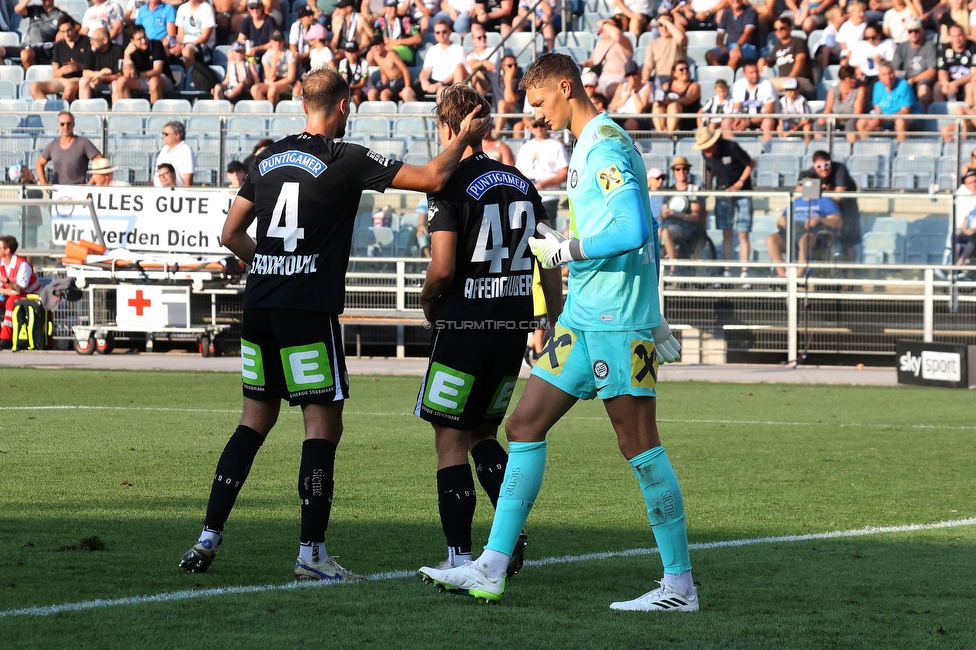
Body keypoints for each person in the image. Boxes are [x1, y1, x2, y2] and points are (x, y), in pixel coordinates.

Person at [178, 66, 491, 580]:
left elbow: (231, 233)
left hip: (260, 305)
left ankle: (207, 537)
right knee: (322, 424)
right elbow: (434, 179)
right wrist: (464, 138)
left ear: (304, 104)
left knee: (253, 420)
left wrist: (271, 265)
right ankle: (312, 554)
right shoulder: (345, 158)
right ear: (343, 105)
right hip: (307, 309)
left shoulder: (267, 157)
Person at [418, 52, 695, 612]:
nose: (536, 116)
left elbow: (635, 226)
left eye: (540, 103)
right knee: (522, 425)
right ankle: (491, 566)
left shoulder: (606, 144)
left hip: (616, 322)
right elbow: (634, 230)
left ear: (565, 88)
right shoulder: (588, 146)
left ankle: (679, 586)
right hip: (584, 318)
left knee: (637, 444)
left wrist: (568, 252)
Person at [416, 84, 562, 575]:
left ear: (449, 126)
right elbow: (550, 256)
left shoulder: (449, 182)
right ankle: (510, 533)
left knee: (450, 439)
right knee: (484, 432)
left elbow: (441, 267)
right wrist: (552, 315)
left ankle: (459, 555)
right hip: (510, 328)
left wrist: (428, 299)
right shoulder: (522, 181)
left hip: (462, 326)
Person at [695, 124, 754, 283]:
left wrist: (740, 183)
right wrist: (706, 195)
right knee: (726, 233)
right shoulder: (706, 156)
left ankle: (744, 271)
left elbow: (750, 163)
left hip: (742, 193)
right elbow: (709, 174)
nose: (706, 151)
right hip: (722, 194)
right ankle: (727, 269)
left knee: (743, 232)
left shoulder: (731, 147)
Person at [766, 183, 842, 276]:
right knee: (772, 239)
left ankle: (798, 276)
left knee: (806, 240)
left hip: (812, 232)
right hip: (791, 230)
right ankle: (782, 276)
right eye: (801, 184)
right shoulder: (795, 202)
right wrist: (781, 221)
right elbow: (780, 221)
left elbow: (838, 222)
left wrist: (819, 219)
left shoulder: (825, 200)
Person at [799, 150, 861, 260]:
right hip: (826, 213)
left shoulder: (840, 169)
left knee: (849, 244)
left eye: (826, 164)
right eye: (819, 166)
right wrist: (806, 183)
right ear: (814, 166)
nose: (824, 169)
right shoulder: (809, 174)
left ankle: (850, 274)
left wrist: (818, 194)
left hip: (847, 210)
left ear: (831, 162)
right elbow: (800, 197)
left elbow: (838, 196)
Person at [29, 15, 89, 103]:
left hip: (80, 79)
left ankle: (63, 112)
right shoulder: (58, 46)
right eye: (63, 31)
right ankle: (52, 112)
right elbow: (55, 73)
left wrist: (79, 67)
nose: (66, 34)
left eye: (69, 30)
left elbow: (94, 67)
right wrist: (63, 70)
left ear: (74, 28)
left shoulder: (87, 42)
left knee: (70, 87)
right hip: (62, 80)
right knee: (34, 87)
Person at [36, 111, 104, 185]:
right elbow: (39, 163)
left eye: (69, 124)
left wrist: (90, 183)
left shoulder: (83, 143)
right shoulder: (52, 145)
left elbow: (101, 161)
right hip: (57, 190)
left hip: (77, 190)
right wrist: (44, 184)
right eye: (62, 124)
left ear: (73, 124)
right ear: (58, 125)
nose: (65, 127)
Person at [113, 25, 176, 105]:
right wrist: (127, 54)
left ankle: (155, 115)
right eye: (139, 39)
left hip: (163, 79)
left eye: (144, 37)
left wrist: (137, 74)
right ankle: (129, 114)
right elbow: (127, 75)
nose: (143, 41)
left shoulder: (157, 45)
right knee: (121, 81)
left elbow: (157, 71)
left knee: (154, 81)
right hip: (142, 79)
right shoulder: (129, 49)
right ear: (132, 41)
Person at [659, 155, 704, 262]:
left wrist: (676, 214)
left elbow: (695, 216)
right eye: (678, 169)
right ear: (674, 172)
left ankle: (673, 265)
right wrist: (664, 214)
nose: (681, 171)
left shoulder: (693, 190)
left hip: (687, 227)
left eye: (685, 169)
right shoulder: (669, 190)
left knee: (666, 233)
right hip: (669, 224)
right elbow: (663, 211)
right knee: (656, 232)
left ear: (688, 171)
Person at [0, 236, 43, 350]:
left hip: (31, 296)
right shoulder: (1, 263)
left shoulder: (22, 265)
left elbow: (20, 289)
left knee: (11, 302)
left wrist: (7, 282)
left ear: (7, 250)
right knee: (9, 299)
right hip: (10, 293)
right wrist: (6, 290)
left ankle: (6, 339)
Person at [856, 61, 916, 142]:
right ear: (879, 77)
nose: (888, 77)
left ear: (894, 73)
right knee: (861, 123)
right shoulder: (877, 85)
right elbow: (877, 107)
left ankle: (900, 150)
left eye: (890, 73)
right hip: (883, 117)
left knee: (900, 122)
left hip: (902, 117)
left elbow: (906, 110)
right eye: (884, 74)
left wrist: (884, 119)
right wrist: (876, 119)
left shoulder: (903, 85)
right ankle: (868, 149)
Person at [724, 60, 777, 144]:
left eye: (756, 72)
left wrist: (748, 122)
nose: (755, 75)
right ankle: (732, 150)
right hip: (744, 117)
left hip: (762, 119)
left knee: (768, 122)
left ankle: (766, 151)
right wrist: (738, 119)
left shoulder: (767, 84)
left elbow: (769, 111)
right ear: (744, 74)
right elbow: (737, 107)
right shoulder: (739, 84)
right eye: (751, 73)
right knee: (726, 122)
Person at [760, 16, 815, 94]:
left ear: (790, 28)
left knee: (766, 85)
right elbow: (770, 62)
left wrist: (790, 78)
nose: (778, 31)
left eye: (782, 28)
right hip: (784, 82)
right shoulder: (777, 46)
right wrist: (763, 60)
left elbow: (800, 60)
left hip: (802, 80)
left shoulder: (799, 41)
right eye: (776, 29)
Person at [581, 16, 633, 98]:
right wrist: (585, 63)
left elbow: (617, 35)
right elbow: (594, 60)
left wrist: (604, 23)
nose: (604, 28)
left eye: (609, 25)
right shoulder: (600, 44)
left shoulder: (624, 41)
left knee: (608, 90)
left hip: (618, 77)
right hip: (600, 78)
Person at [892, 17, 937, 109]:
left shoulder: (929, 45)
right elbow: (894, 69)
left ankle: (924, 117)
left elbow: (932, 71)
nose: (914, 34)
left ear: (922, 30)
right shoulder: (901, 47)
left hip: (923, 78)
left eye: (916, 30)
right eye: (910, 31)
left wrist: (913, 80)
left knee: (923, 89)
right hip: (905, 79)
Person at [416, 19, 466, 99]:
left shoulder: (458, 49)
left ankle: (440, 112)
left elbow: (457, 72)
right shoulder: (432, 50)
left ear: (450, 32)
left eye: (444, 31)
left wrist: (440, 84)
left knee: (441, 91)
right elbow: (425, 71)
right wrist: (423, 81)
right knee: (407, 92)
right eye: (437, 32)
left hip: (450, 83)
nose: (441, 34)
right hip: (433, 81)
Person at [514, 118, 569, 191]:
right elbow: (518, 171)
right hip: (527, 193)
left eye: (541, 125)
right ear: (530, 127)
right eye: (535, 126)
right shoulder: (525, 147)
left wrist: (545, 183)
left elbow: (564, 173)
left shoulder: (557, 146)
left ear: (547, 126)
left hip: (549, 194)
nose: (539, 128)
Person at [705, 0, 760, 71]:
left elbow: (747, 33)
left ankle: (726, 78)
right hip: (730, 46)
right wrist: (721, 46)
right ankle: (720, 77)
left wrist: (738, 46)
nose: (735, 0)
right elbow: (720, 34)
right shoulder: (726, 13)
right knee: (710, 55)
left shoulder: (751, 12)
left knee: (734, 57)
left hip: (747, 47)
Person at [817, 65, 866, 142]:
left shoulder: (860, 90)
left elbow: (857, 111)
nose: (854, 80)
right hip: (835, 118)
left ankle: (851, 148)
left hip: (851, 118)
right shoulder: (833, 90)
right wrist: (823, 118)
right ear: (843, 79)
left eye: (854, 77)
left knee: (850, 125)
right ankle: (820, 147)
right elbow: (828, 109)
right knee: (818, 124)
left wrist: (840, 118)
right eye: (851, 78)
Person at [651, 60, 700, 134]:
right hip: (667, 117)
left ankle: (670, 135)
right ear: (674, 72)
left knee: (673, 106)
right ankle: (660, 133)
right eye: (681, 69)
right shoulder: (667, 85)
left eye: (687, 69)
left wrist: (670, 101)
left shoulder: (694, 85)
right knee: (656, 104)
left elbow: (688, 100)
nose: (685, 71)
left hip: (686, 119)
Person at [16, 0, 65, 71]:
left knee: (25, 54)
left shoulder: (59, 14)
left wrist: (61, 32)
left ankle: (33, 77)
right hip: (26, 45)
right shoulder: (35, 9)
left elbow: (76, 26)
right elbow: (18, 9)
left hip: (44, 47)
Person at [251, 29, 297, 104]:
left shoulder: (289, 54)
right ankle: (265, 111)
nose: (277, 43)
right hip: (271, 81)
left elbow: (291, 78)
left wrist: (274, 84)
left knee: (272, 90)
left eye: (280, 41)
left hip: (285, 82)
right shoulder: (266, 56)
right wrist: (274, 63)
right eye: (275, 41)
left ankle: (272, 113)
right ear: (271, 42)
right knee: (254, 89)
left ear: (283, 41)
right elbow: (269, 77)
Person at [640, 14, 687, 87]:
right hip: (660, 78)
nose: (664, 27)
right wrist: (645, 81)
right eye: (661, 25)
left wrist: (665, 21)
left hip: (677, 78)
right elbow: (648, 66)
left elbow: (681, 38)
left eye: (667, 24)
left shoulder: (677, 39)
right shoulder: (652, 45)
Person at [365, 35, 417, 101]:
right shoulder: (376, 57)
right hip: (389, 82)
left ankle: (387, 111)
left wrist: (407, 87)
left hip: (400, 81)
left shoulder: (391, 54)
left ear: (383, 44)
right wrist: (384, 85)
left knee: (384, 94)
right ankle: (375, 111)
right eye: (372, 45)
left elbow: (405, 70)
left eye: (378, 44)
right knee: (371, 93)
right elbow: (383, 72)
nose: (375, 47)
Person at [78, 27, 124, 100]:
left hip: (111, 81)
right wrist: (99, 74)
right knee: (83, 81)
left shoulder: (117, 50)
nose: (91, 42)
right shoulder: (91, 49)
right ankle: (85, 109)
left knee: (116, 84)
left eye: (94, 40)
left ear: (105, 40)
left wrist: (102, 78)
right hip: (95, 81)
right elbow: (85, 72)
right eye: (91, 39)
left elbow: (119, 75)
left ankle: (116, 109)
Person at [171, 0, 217, 73]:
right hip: (185, 44)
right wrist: (178, 45)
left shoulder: (207, 9)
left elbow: (204, 38)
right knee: (167, 49)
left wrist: (184, 46)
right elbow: (180, 35)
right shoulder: (182, 8)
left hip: (203, 46)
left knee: (186, 52)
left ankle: (192, 79)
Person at [934, 23, 976, 102]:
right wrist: (946, 83)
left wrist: (956, 83)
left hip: (966, 81)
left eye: (959, 35)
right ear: (950, 37)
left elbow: (973, 73)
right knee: (938, 87)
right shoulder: (945, 49)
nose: (957, 39)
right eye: (954, 36)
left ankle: (966, 112)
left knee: (970, 87)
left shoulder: (973, 47)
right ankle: (940, 113)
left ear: (965, 35)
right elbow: (942, 72)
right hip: (950, 82)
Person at [374, 0, 422, 66]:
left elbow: (418, 39)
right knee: (371, 55)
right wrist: (383, 40)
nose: (393, 9)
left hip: (405, 49)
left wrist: (398, 42)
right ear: (385, 8)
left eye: (395, 6)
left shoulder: (405, 20)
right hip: (386, 47)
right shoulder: (381, 22)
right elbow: (375, 38)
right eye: (390, 7)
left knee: (390, 53)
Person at [153, 121, 195, 186]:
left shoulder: (185, 150)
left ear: (177, 135)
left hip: (175, 193)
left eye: (166, 134)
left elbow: (188, 178)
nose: (163, 136)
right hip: (159, 193)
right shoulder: (164, 150)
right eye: (163, 134)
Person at [336, 39, 369, 104]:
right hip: (349, 87)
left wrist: (349, 87)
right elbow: (343, 78)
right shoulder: (343, 62)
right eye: (348, 51)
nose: (351, 54)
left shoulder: (364, 63)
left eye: (353, 51)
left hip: (364, 88)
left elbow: (362, 84)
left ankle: (357, 112)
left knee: (356, 94)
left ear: (358, 52)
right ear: (345, 52)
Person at [955, 169, 976, 265]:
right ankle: (954, 264)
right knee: (956, 237)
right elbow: (964, 215)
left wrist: (973, 229)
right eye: (970, 182)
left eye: (975, 181)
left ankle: (958, 265)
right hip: (967, 229)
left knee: (973, 237)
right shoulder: (963, 195)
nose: (974, 184)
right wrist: (963, 229)